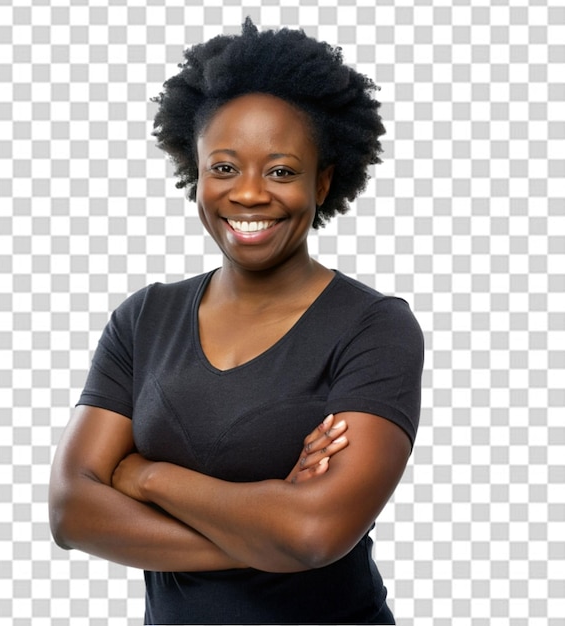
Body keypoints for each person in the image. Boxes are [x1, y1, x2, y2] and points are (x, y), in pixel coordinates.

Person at [49, 18, 424, 625]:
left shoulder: (373, 327)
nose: (249, 194)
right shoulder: (144, 318)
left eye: (280, 170)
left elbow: (314, 530)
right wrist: (268, 531)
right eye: (223, 168)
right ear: (194, 173)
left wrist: (147, 477)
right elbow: (72, 512)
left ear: (322, 180)